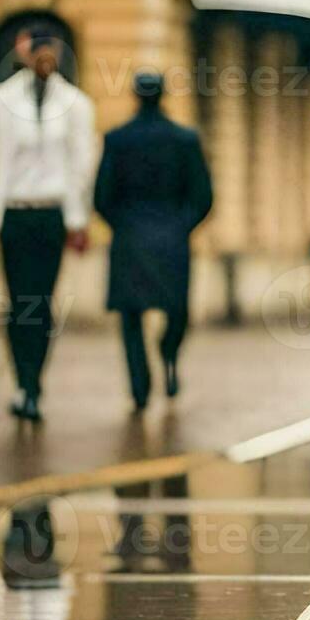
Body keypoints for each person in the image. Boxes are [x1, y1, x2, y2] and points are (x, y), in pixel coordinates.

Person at [0, 31, 96, 422]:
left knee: (41, 303)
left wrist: (78, 221)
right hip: (14, 215)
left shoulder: (75, 105)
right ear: (24, 54)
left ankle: (34, 382)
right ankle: (22, 381)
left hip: (51, 215)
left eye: (51, 51)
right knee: (18, 302)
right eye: (38, 51)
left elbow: (82, 166)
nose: (45, 58)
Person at [93, 72, 213, 411]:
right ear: (163, 96)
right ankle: (169, 353)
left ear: (135, 96)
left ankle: (139, 387)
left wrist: (124, 224)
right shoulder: (185, 140)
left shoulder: (117, 139)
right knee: (177, 311)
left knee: (131, 317)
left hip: (129, 239)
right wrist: (181, 225)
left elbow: (101, 196)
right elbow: (203, 196)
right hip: (173, 240)